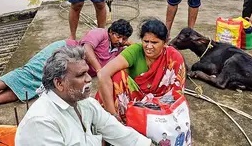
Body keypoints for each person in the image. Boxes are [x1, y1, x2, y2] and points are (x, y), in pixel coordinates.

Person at [0, 19, 133, 118]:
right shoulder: (100, 33)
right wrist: (99, 69)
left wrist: (127, 44)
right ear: (110, 31)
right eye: (117, 35)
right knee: (27, 74)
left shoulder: (117, 50)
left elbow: (134, 50)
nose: (119, 40)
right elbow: (87, 49)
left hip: (68, 69)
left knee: (33, 89)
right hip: (61, 52)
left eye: (123, 38)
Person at [15, 46, 152, 146]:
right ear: (59, 83)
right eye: (81, 75)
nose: (88, 79)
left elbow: (121, 134)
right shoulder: (41, 121)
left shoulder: (86, 104)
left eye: (87, 73)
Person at [97, 19, 186, 122]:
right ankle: (118, 121)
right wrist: (112, 114)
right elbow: (103, 74)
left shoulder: (174, 57)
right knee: (116, 76)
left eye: (154, 42)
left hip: (160, 107)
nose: (148, 46)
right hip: (133, 102)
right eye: (145, 41)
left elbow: (176, 92)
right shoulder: (136, 50)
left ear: (165, 43)